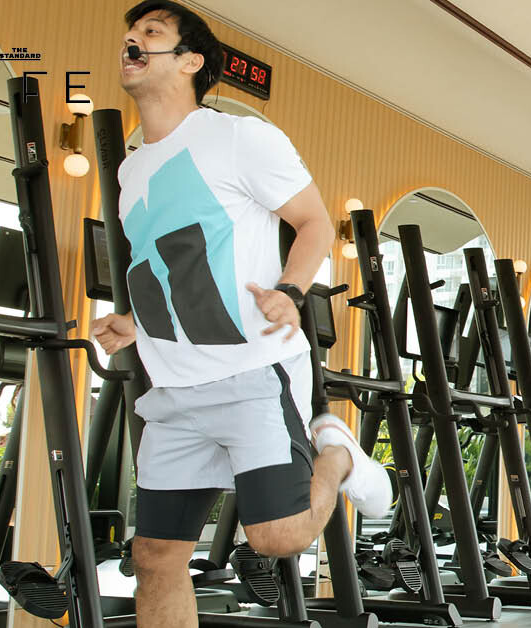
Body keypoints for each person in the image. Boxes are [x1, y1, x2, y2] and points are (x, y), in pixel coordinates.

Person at [91, 3, 388, 625]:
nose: (133, 41)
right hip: (172, 387)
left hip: (254, 371)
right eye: (130, 34)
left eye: (152, 33)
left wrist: (291, 288)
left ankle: (335, 453)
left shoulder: (238, 137)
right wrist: (136, 322)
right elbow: (171, 267)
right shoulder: (131, 167)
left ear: (191, 61)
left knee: (276, 539)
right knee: (154, 554)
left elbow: (312, 222)